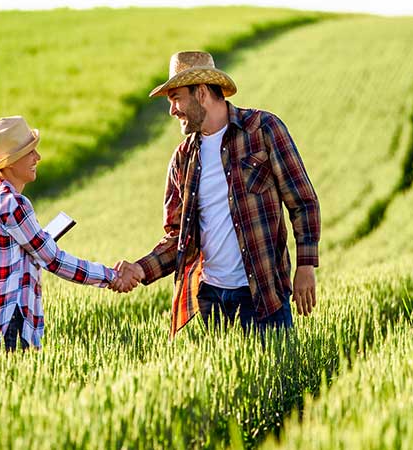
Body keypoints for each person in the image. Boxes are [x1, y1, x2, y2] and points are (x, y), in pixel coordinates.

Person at [116, 51, 321, 337]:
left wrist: (306, 266)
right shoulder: (182, 159)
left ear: (201, 93)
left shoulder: (262, 130)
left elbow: (303, 202)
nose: (172, 110)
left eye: (176, 98)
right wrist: (140, 269)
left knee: (278, 379)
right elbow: (178, 237)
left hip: (263, 296)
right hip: (212, 301)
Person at [0, 116, 130, 364]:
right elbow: (53, 260)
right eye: (30, 151)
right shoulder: (13, 204)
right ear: (10, 163)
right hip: (11, 324)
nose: (37, 158)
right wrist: (109, 276)